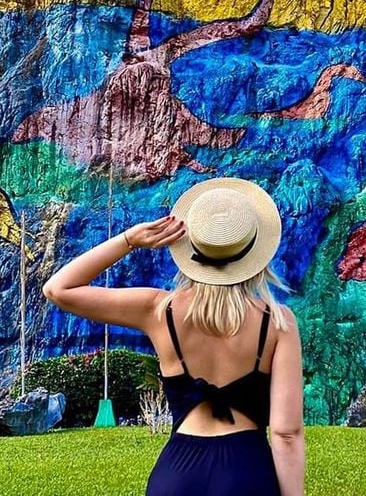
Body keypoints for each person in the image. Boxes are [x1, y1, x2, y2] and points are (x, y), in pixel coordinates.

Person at [43, 177, 305, 496]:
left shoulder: (158, 310)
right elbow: (286, 433)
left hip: (176, 475)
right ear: (254, 252)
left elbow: (58, 289)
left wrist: (128, 240)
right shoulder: (277, 322)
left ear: (190, 248)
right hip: (246, 471)